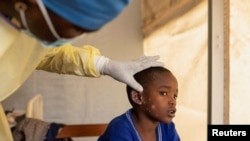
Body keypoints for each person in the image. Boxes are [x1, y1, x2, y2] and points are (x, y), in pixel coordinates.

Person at [0, 0, 164, 140]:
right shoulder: (121, 129)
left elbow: (46, 54)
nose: (76, 38)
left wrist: (102, 64)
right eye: (78, 29)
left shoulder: (29, 21)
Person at [98, 67, 180, 141]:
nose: (173, 101)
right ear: (137, 97)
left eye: (175, 96)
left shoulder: (167, 127)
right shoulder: (119, 129)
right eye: (164, 93)